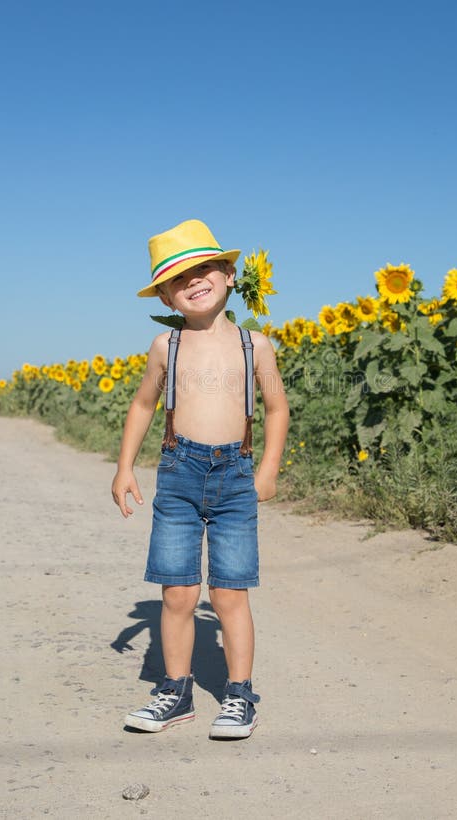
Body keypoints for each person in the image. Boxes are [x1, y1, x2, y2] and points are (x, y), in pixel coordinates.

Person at [111, 219, 289, 740]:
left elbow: (276, 409)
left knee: (230, 593)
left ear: (230, 275)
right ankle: (176, 692)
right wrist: (125, 466)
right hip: (178, 475)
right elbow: (144, 404)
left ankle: (239, 696)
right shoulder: (165, 347)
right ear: (166, 295)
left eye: (204, 268)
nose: (193, 280)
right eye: (178, 277)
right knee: (178, 593)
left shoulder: (256, 346)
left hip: (235, 475)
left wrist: (269, 468)